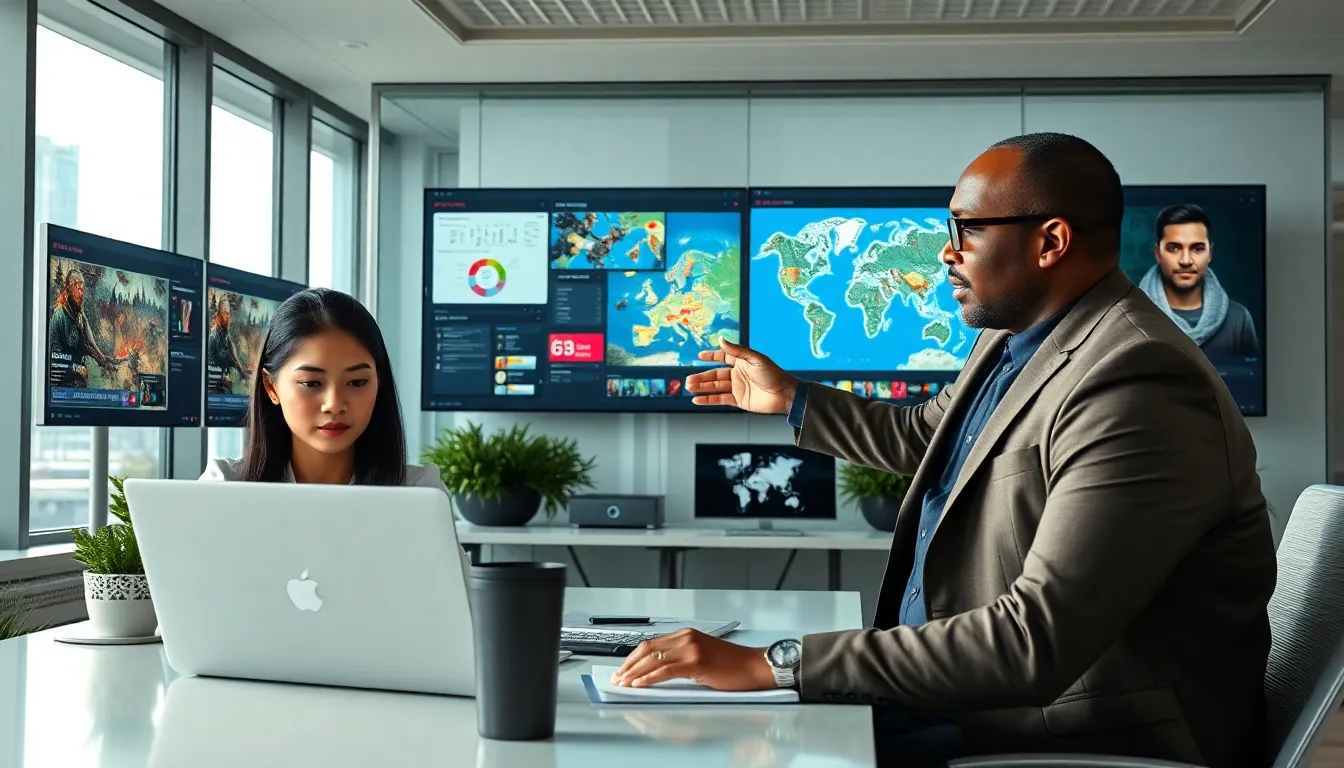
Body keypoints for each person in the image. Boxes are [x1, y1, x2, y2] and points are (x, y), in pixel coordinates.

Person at [613, 133, 1276, 768]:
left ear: (1050, 241)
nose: (945, 252)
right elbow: (929, 437)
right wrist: (791, 398)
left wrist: (778, 662)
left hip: (1064, 734)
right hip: (961, 705)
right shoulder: (1018, 337)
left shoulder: (1138, 380)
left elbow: (1033, 641)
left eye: (967, 228)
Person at [200, 287, 446, 491]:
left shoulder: (419, 492)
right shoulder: (224, 488)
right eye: (311, 383)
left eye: (357, 382)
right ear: (270, 386)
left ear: (379, 382)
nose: (335, 404)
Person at [1138, 203, 1260, 358]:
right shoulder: (1129, 316)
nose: (1185, 260)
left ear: (1210, 254)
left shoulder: (1238, 318)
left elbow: (1251, 379)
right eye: (1174, 248)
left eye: (1197, 249)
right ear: (1157, 253)